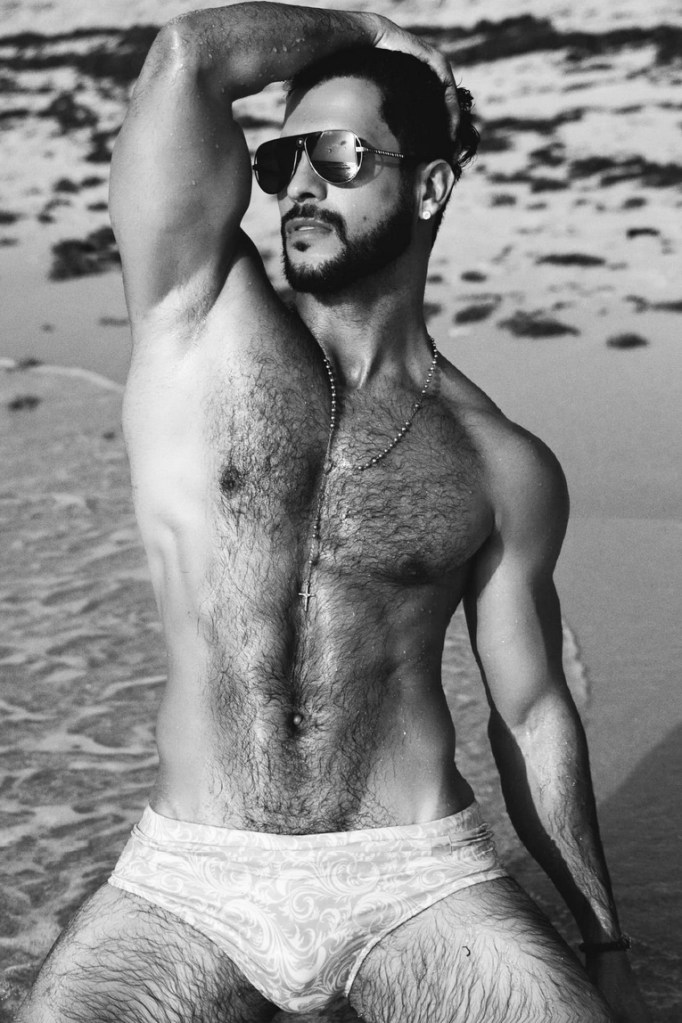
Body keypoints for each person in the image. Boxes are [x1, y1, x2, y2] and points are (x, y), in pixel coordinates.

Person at [18, 4, 650, 1022]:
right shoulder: (195, 323)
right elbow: (188, 57)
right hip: (188, 879)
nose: (301, 185)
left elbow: (532, 714)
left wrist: (602, 939)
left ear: (430, 186)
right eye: (282, 162)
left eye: (342, 156)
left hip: (416, 877)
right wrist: (372, 29)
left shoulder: (501, 462)